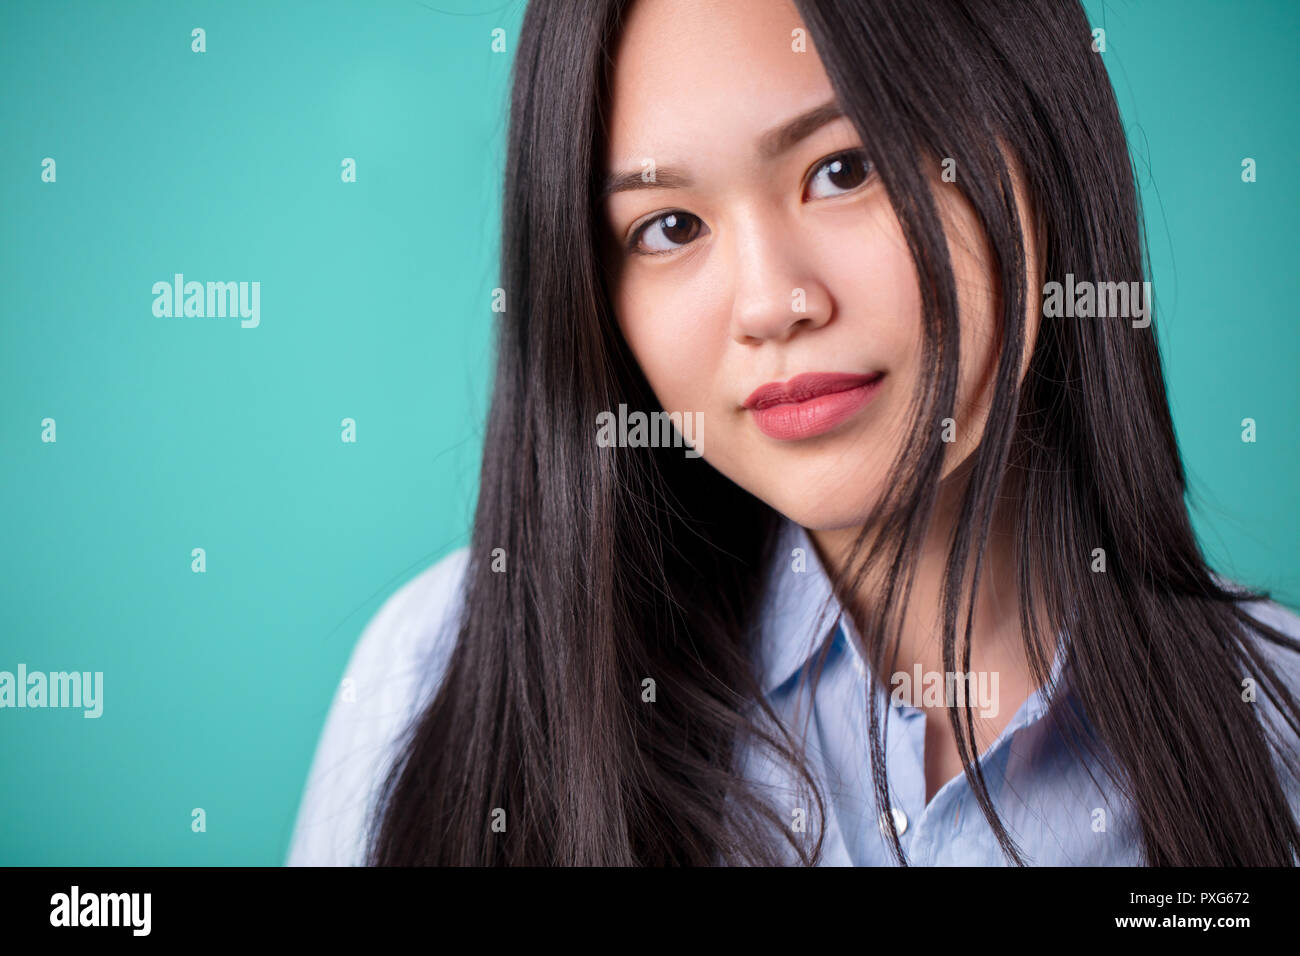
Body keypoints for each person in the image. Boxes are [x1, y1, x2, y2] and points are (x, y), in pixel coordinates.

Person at [288, 0, 1300, 866]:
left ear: (1039, 135)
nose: (772, 304)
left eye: (844, 167)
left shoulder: (1279, 732)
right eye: (668, 227)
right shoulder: (444, 670)